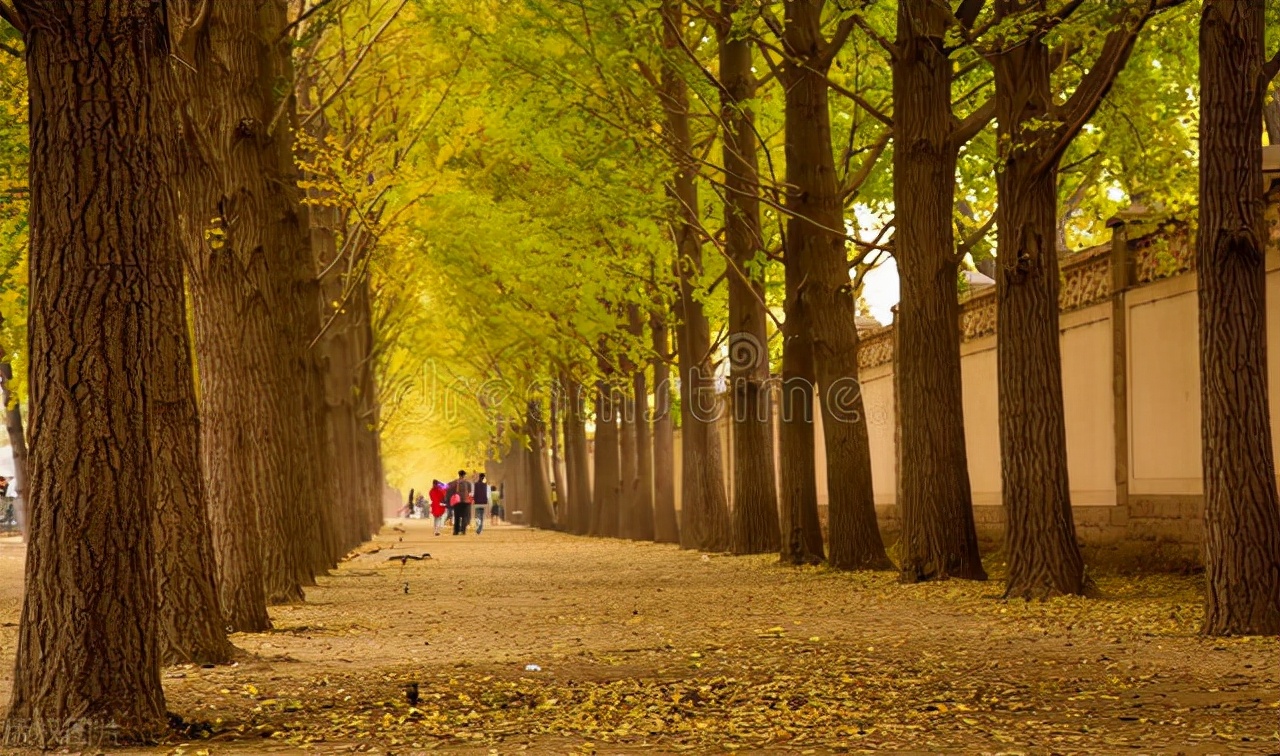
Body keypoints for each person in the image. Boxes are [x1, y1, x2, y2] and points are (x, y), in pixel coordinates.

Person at [446, 470, 472, 536]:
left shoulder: (454, 482)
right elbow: (469, 491)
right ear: (464, 475)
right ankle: (463, 531)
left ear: (459, 474)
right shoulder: (468, 483)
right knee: (464, 516)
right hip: (465, 501)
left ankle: (456, 531)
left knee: (457, 516)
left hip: (457, 501)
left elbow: (449, 488)